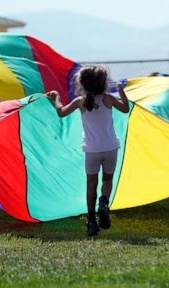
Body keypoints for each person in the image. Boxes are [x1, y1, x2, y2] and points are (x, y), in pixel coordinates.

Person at [48, 65, 129, 236]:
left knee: (91, 184)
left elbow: (61, 112)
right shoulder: (108, 99)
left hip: (92, 151)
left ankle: (92, 221)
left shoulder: (80, 102)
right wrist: (121, 91)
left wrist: (56, 97)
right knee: (107, 179)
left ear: (83, 85)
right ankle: (104, 203)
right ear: (103, 83)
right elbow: (125, 108)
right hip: (110, 148)